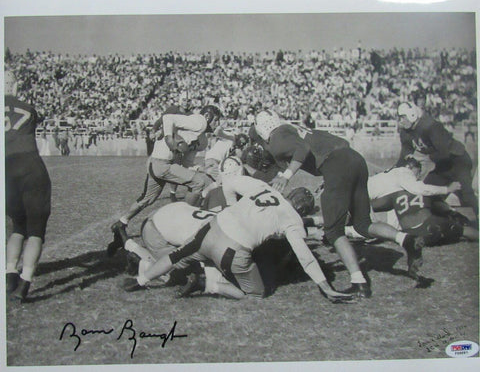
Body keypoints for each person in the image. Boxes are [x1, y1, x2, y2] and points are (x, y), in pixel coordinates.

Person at [251, 110, 425, 296]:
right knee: (363, 224)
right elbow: (338, 144)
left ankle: (359, 283)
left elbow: (302, 150)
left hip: (336, 165)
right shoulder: (291, 129)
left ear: (261, 130)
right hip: (354, 160)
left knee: (333, 231)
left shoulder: (277, 138)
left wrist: (286, 176)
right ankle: (407, 240)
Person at [121, 175, 355, 304]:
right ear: (303, 211)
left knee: (176, 255)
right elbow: (305, 256)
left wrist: (232, 207)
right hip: (232, 248)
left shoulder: (266, 189)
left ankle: (140, 280)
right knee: (255, 294)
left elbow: (230, 181)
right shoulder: (292, 219)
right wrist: (325, 286)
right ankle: (208, 284)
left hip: (211, 227)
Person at [108, 105, 221, 256]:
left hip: (160, 163)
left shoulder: (202, 140)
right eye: (216, 120)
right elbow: (168, 117)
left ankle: (121, 222)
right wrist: (168, 137)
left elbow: (187, 163)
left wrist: (199, 168)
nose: (217, 124)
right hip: (162, 164)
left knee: (148, 199)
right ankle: (182, 221)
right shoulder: (199, 122)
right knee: (198, 183)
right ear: (208, 116)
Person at [4, 70, 52, 301]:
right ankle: (25, 282)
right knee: (36, 231)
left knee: (17, 227)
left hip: (5, 168)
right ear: (13, 86)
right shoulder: (28, 109)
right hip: (31, 166)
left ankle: (9, 273)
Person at [396, 101, 478, 218]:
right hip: (442, 166)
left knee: (467, 195)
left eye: (403, 117)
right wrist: (392, 172)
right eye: (399, 118)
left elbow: (444, 152)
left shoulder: (430, 126)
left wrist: (423, 158)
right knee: (427, 195)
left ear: (412, 114)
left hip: (457, 160)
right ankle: (450, 218)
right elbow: (404, 156)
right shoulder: (405, 132)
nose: (401, 121)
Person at [368, 157, 462, 213]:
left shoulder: (394, 173)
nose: (418, 176)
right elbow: (420, 189)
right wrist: (447, 189)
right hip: (362, 199)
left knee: (400, 197)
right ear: (410, 167)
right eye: (418, 171)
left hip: (364, 196)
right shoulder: (404, 172)